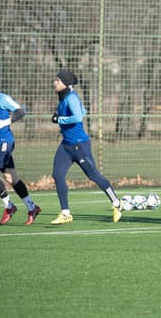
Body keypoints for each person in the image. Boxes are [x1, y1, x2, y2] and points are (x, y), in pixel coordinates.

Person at [50, 70, 122, 224]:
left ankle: (117, 203)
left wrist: (60, 119)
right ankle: (65, 213)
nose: (54, 83)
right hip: (66, 146)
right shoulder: (64, 98)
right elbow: (83, 110)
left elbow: (78, 116)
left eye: (57, 80)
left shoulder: (71, 98)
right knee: (57, 175)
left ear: (65, 83)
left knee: (93, 175)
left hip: (79, 145)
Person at [0, 74, 41, 225]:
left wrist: (6, 121)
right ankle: (32, 207)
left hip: (5, 142)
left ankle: (9, 206)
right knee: (11, 178)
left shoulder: (1, 98)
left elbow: (20, 111)